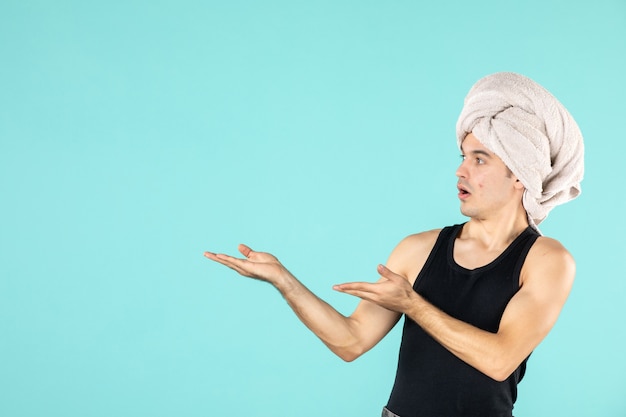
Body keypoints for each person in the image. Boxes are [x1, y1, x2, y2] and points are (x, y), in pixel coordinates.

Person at [204, 72, 584, 417]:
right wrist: (283, 280)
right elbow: (350, 341)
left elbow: (500, 360)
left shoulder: (547, 261)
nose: (460, 170)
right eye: (463, 156)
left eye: (479, 160)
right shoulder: (417, 249)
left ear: (520, 176)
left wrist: (412, 304)